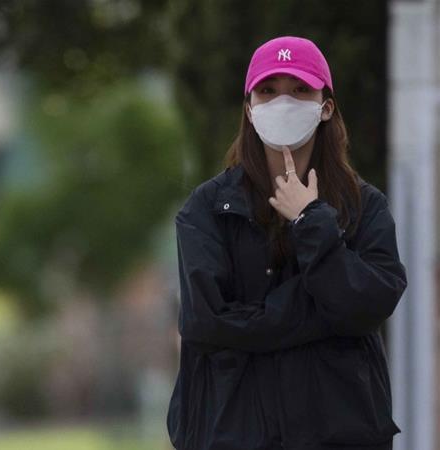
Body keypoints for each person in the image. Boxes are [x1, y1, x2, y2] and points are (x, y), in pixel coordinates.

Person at [166, 36, 407, 450]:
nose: (283, 102)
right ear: (249, 108)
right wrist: (322, 310)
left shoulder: (363, 206)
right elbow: (207, 322)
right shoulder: (206, 208)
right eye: (268, 91)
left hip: (339, 434)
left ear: (325, 106)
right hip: (234, 433)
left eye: (299, 90)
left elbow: (371, 304)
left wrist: (310, 220)